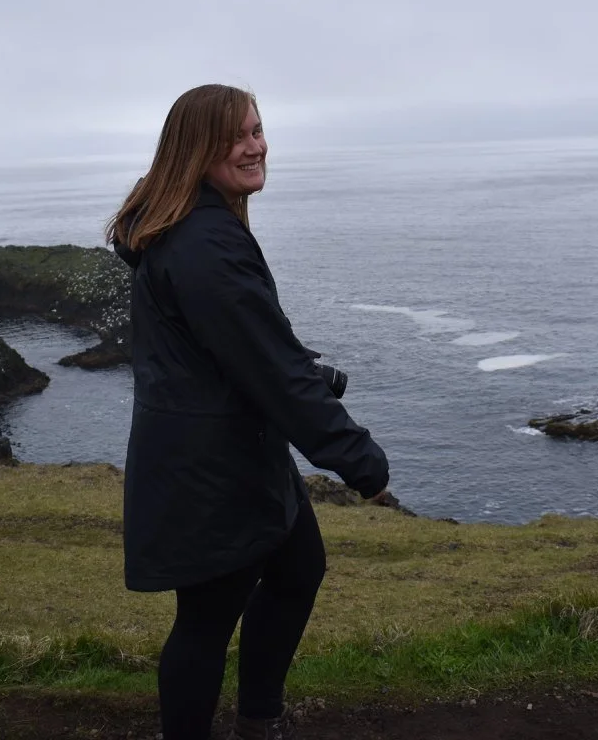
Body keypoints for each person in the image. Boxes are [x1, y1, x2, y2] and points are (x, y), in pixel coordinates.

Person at [106, 84, 391, 740]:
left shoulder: (195, 228)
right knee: (206, 622)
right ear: (196, 148)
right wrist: (358, 459)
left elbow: (225, 347)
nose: (256, 146)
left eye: (258, 130)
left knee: (297, 570)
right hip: (212, 470)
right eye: (237, 136)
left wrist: (303, 372)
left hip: (226, 451)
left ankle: (259, 719)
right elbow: (273, 372)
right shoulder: (206, 243)